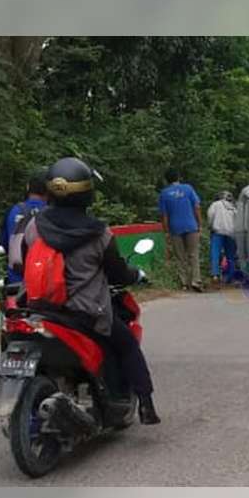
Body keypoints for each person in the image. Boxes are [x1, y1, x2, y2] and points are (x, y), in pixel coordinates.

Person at [23, 157, 160, 425]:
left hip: (42, 310)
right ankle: (146, 404)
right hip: (85, 313)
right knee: (128, 344)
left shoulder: (34, 227)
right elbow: (117, 273)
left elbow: (25, 261)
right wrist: (137, 275)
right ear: (87, 194)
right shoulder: (99, 234)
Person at [0, 167, 48, 284]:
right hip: (42, 283)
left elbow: (5, 243)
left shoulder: (13, 210)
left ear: (28, 188)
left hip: (16, 281)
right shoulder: (51, 213)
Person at [159, 168, 203, 292]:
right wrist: (199, 224)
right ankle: (196, 281)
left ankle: (184, 283)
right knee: (193, 254)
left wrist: (166, 231)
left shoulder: (164, 193)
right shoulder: (188, 189)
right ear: (178, 177)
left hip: (175, 228)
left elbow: (164, 215)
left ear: (166, 180)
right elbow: (197, 207)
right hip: (191, 225)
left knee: (180, 256)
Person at [207, 191, 237, 286]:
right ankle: (230, 277)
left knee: (215, 254)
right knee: (230, 256)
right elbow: (237, 221)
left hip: (217, 232)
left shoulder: (215, 205)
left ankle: (215, 275)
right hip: (231, 233)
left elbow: (210, 216)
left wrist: (210, 226)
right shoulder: (233, 207)